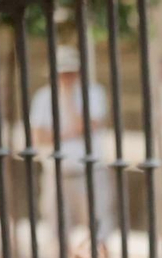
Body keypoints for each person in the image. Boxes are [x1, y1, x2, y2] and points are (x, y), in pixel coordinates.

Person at [29, 45, 114, 242]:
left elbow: (84, 125)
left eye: (70, 72)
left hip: (90, 173)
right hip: (56, 174)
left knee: (98, 232)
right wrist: (71, 133)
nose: (66, 77)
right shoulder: (43, 97)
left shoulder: (93, 93)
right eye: (62, 72)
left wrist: (67, 99)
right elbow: (39, 137)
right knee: (57, 233)